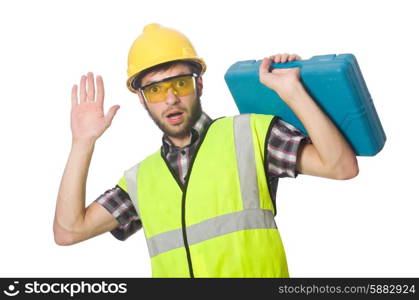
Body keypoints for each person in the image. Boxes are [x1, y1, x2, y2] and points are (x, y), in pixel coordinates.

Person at [54, 23, 358, 278]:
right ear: (142, 99)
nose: (170, 98)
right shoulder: (140, 180)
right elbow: (68, 232)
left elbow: (341, 166)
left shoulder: (248, 134)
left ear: (199, 85)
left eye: (181, 83)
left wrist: (292, 91)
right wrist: (82, 143)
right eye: (156, 90)